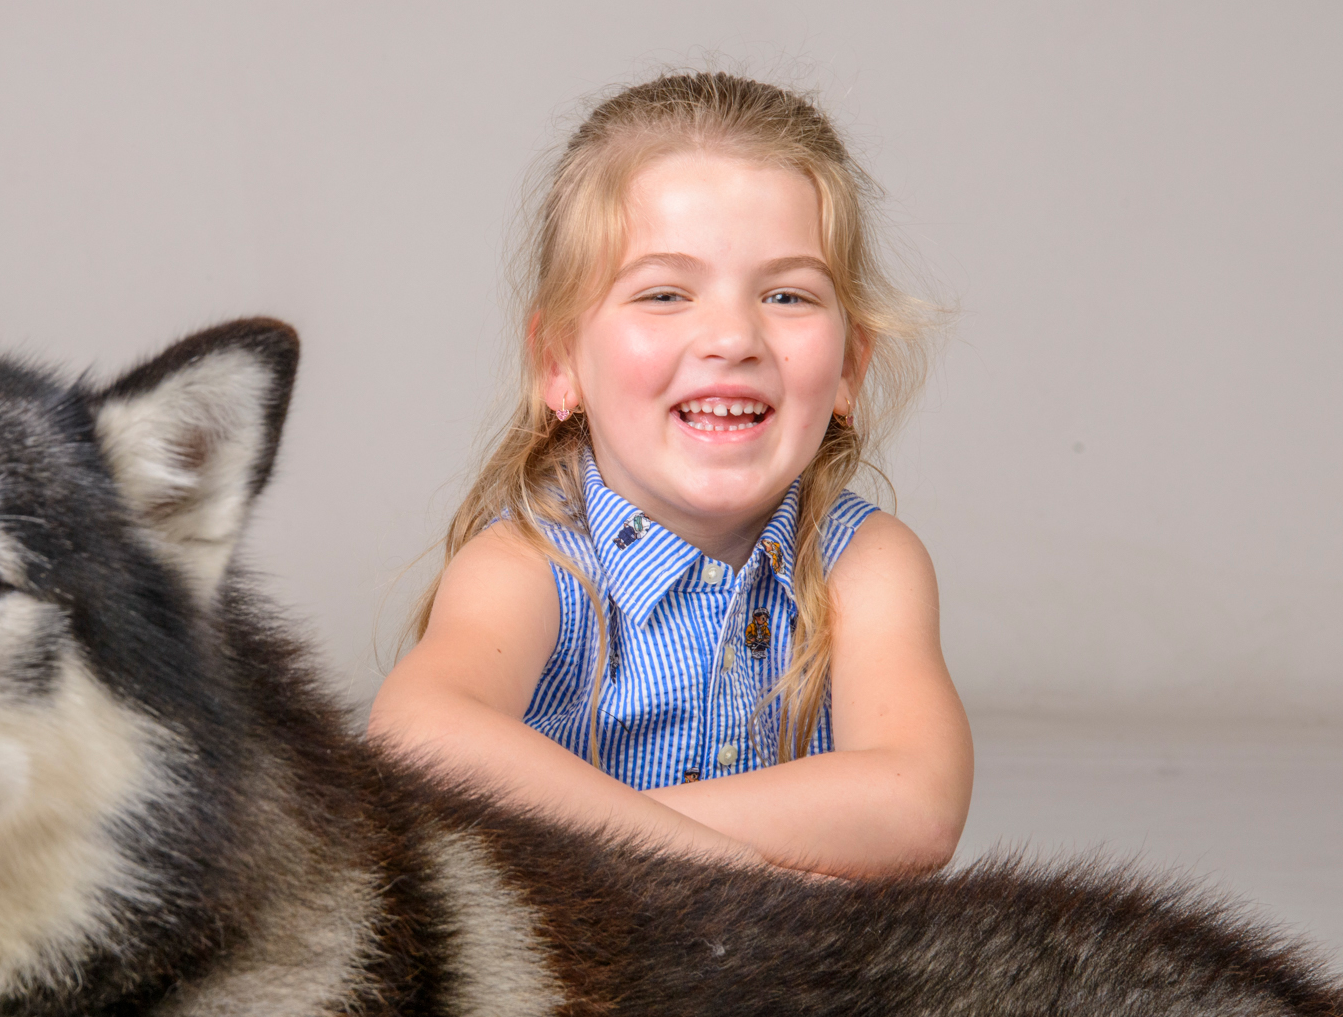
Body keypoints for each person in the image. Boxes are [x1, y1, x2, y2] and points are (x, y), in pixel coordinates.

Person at [369, 71, 971, 879]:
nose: (731, 337)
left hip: (797, 991)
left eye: (788, 295)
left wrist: (613, 836)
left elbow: (915, 807)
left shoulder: (866, 563)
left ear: (850, 370)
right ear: (559, 364)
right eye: (663, 293)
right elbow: (415, 738)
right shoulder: (534, 566)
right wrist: (734, 873)